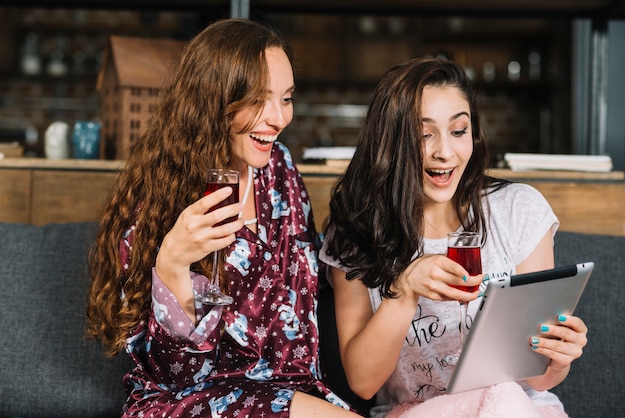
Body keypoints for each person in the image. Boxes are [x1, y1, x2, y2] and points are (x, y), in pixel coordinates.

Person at [86, 18, 360, 417]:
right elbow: (175, 373)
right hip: (191, 401)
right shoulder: (159, 197)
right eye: (259, 99)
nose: (279, 118)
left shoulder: (280, 170)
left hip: (288, 392)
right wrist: (173, 265)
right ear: (213, 99)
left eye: (286, 98)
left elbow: (307, 292)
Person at [320, 57, 588, 417]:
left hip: (519, 406)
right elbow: (363, 382)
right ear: (390, 141)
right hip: (419, 411)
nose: (444, 152)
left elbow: (535, 379)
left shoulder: (517, 211)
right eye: (423, 134)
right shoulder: (356, 230)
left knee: (507, 401)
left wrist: (559, 359)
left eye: (458, 131)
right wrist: (404, 291)